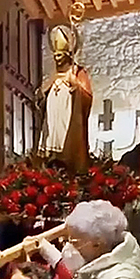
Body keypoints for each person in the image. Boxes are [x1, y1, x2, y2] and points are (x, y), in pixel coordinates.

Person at [37, 21, 93, 173]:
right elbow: (43, 101)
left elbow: (87, 97)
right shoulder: (53, 77)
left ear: (68, 54)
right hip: (52, 119)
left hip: (68, 117)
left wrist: (76, 87)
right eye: (55, 54)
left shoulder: (77, 72)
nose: (57, 58)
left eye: (60, 54)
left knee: (66, 142)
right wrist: (41, 97)